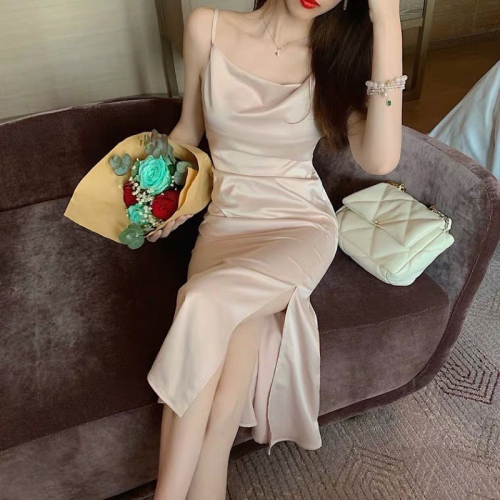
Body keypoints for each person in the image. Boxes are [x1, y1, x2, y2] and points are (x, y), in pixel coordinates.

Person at [147, 0, 404, 498]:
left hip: (297, 226)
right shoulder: (207, 27)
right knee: (222, 400)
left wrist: (387, 19)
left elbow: (381, 158)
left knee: (201, 300)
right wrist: (164, 197)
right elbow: (189, 130)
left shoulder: (335, 59)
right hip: (226, 224)